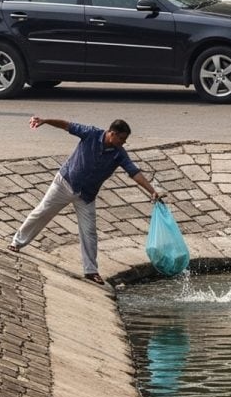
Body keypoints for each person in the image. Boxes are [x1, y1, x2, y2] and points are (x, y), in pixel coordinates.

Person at [9, 116, 162, 286]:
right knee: (42, 212)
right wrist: (44, 120)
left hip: (87, 196)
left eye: (125, 140)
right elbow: (66, 125)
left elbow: (134, 172)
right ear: (111, 133)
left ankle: (91, 271)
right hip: (65, 183)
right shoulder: (90, 133)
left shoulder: (119, 154)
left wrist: (152, 191)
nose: (123, 143)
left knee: (89, 232)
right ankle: (17, 242)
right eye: (121, 138)